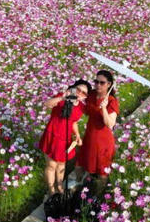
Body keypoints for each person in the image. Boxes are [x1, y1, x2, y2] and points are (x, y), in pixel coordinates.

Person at [38, 80, 87, 213]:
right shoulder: (62, 96)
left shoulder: (80, 107)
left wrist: (77, 135)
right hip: (53, 135)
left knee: (61, 165)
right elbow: (47, 104)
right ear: (73, 88)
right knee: (51, 166)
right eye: (78, 89)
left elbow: (73, 122)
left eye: (84, 93)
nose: (80, 93)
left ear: (85, 97)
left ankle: (59, 186)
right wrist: (62, 98)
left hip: (66, 139)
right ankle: (51, 190)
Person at [78, 69, 120, 202]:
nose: (98, 85)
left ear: (109, 84)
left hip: (103, 141)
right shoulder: (91, 95)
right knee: (82, 165)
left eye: (102, 83)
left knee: (102, 173)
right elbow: (86, 110)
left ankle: (98, 198)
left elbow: (110, 124)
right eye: (96, 82)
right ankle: (82, 193)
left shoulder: (112, 101)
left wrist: (104, 108)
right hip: (89, 136)